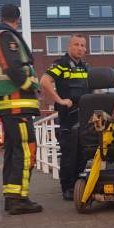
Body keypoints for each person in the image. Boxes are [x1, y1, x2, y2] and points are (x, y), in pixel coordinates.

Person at [0, 4, 43, 215]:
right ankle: (19, 198)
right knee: (25, 150)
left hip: (14, 107)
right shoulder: (6, 36)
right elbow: (12, 66)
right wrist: (30, 85)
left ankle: (12, 196)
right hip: (17, 105)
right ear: (17, 19)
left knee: (14, 151)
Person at [40, 34, 91, 200]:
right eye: (76, 45)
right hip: (68, 116)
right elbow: (44, 81)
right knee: (69, 154)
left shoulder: (84, 66)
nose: (80, 48)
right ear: (69, 46)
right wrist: (60, 100)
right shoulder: (61, 64)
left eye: (83, 45)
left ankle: (79, 186)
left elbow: (92, 87)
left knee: (83, 153)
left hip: (84, 116)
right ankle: (68, 189)